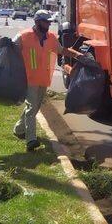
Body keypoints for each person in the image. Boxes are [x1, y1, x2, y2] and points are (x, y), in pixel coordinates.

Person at [13, 10, 77, 151]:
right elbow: (10, 50)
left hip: (43, 78)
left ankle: (18, 129)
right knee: (31, 107)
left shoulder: (51, 38)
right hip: (28, 79)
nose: (48, 24)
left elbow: (62, 50)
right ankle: (31, 140)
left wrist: (79, 55)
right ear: (37, 22)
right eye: (45, 21)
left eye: (49, 21)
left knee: (34, 107)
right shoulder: (23, 36)